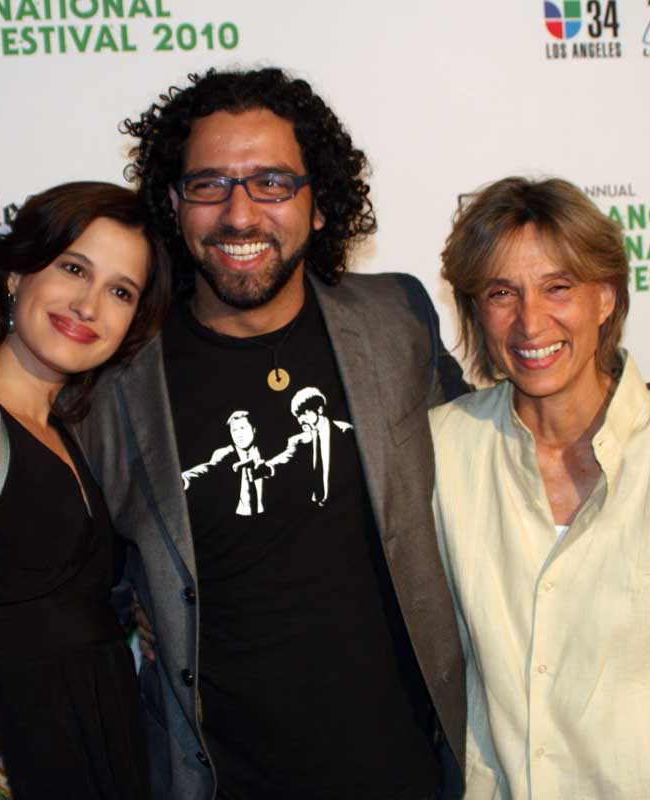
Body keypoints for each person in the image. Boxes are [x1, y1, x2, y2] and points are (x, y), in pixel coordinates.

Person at [74, 67, 470, 800]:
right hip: (216, 782)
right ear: (173, 203)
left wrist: (642, 406)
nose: (240, 214)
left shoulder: (396, 320)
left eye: (272, 183)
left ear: (318, 204)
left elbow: (501, 451)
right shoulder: (113, 382)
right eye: (209, 185)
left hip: (408, 770)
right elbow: (64, 591)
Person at [0, 181, 169, 799]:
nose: (89, 305)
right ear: (17, 273)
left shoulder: (63, 433)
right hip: (12, 765)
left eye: (120, 291)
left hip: (95, 745)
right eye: (74, 268)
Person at [432, 176, 650, 799]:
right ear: (476, 311)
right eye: (502, 293)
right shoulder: (439, 452)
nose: (530, 321)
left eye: (558, 287)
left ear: (605, 298)